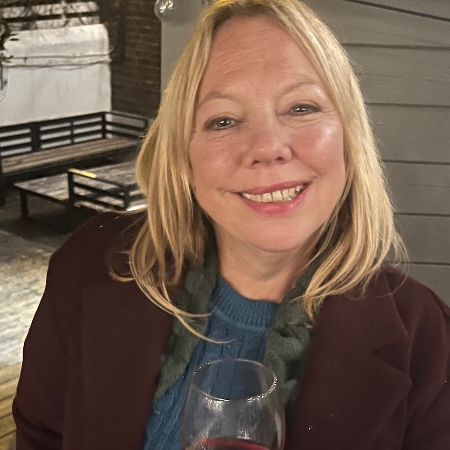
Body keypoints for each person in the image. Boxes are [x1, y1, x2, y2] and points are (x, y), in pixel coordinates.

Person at [13, 0, 450, 449]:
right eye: (223, 120)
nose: (267, 147)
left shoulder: (425, 336)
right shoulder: (90, 262)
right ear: (184, 156)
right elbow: (40, 435)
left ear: (348, 137)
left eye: (301, 108)